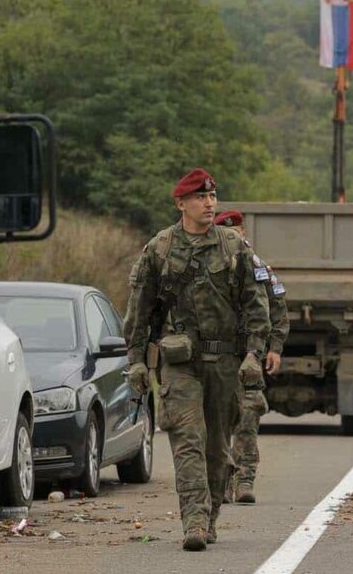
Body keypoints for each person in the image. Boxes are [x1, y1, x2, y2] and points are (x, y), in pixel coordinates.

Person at [123, 168, 270, 551]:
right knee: (187, 440)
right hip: (179, 362)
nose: (209, 204)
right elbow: (139, 310)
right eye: (201, 198)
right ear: (181, 204)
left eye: (212, 197)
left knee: (217, 448)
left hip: (225, 363)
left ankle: (211, 517)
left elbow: (257, 304)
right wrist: (136, 360)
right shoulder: (159, 249)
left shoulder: (234, 248)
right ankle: (195, 521)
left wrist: (254, 353)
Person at [213, 210, 288, 505]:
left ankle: (244, 479)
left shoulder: (258, 268)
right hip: (216, 356)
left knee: (247, 416)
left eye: (238, 231)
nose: (235, 237)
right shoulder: (207, 269)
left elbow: (278, 309)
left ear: (245, 232)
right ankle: (221, 479)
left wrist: (274, 347)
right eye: (228, 233)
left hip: (249, 355)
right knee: (217, 421)